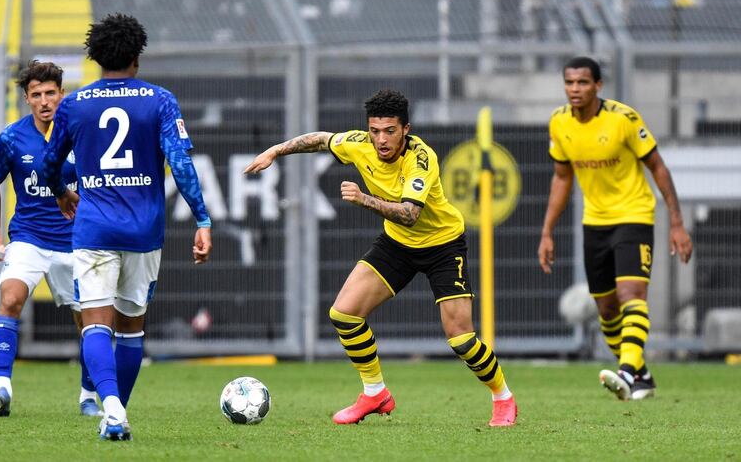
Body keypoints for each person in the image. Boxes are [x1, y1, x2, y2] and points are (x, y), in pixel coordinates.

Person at [245, 89, 518, 427]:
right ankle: (375, 393)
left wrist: (363, 200)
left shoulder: (421, 159)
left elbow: (409, 213)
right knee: (344, 314)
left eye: (389, 131)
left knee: (461, 338)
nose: (381, 139)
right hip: (397, 244)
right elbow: (321, 140)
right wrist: (276, 150)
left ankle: (502, 397)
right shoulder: (361, 143)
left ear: (406, 129)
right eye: (375, 131)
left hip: (443, 245)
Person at [42, 13, 212, 441]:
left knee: (95, 323)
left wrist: (62, 190)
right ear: (137, 57)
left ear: (96, 57)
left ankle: (112, 408)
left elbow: (49, 164)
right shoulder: (160, 100)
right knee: (132, 325)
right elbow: (182, 163)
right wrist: (203, 219)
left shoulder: (74, 104)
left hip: (94, 229)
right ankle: (116, 411)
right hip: (144, 232)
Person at [538, 56, 693, 401]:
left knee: (631, 295)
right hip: (595, 221)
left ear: (598, 86)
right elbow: (562, 177)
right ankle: (641, 374)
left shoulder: (623, 118)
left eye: (582, 83)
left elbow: (658, 167)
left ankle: (625, 371)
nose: (575, 89)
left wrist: (677, 223)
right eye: (570, 83)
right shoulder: (559, 123)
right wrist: (547, 231)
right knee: (607, 309)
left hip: (634, 215)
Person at [0, 60, 102, 418]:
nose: (45, 100)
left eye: (51, 92)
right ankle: (2, 389)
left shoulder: (82, 134)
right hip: (29, 238)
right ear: (27, 98)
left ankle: (87, 397)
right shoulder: (11, 137)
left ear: (62, 95)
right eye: (37, 94)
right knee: (11, 298)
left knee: (89, 322)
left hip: (76, 242)